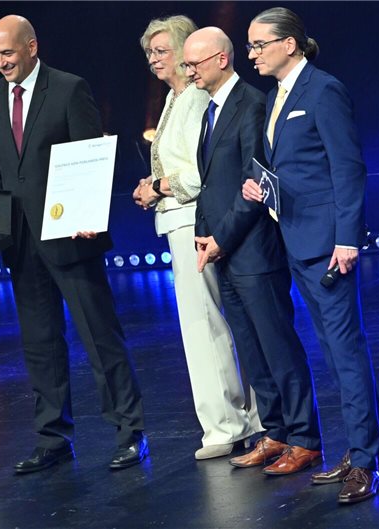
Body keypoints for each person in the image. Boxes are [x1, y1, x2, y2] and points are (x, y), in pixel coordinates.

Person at [0, 15, 147, 472]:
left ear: (31, 47)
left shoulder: (68, 88)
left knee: (99, 336)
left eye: (7, 52)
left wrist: (88, 213)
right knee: (40, 343)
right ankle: (52, 437)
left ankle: (130, 432)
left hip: (69, 234)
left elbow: (91, 157)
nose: (1, 62)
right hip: (20, 242)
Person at [242, 7, 379, 504]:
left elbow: (348, 168)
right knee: (336, 351)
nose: (253, 54)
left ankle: (365, 461)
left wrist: (348, 238)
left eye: (259, 44)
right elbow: (294, 166)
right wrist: (264, 187)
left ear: (290, 44)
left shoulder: (322, 90)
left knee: (346, 352)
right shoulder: (274, 97)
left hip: (328, 243)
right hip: (296, 239)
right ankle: (371, 447)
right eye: (250, 46)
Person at [185, 26, 324, 478]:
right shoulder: (209, 111)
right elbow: (212, 184)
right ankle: (277, 432)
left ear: (222, 59)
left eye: (195, 64)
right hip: (225, 250)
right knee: (253, 350)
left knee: (278, 346)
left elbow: (253, 181)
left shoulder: (252, 104)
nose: (189, 73)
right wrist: (206, 236)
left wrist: (221, 237)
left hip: (254, 249)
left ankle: (305, 438)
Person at [133, 15, 261, 461]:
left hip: (193, 221)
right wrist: (153, 185)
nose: (154, 59)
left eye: (162, 51)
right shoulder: (174, 100)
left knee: (206, 323)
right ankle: (243, 417)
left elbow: (197, 173)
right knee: (212, 320)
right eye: (150, 52)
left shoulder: (193, 102)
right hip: (180, 221)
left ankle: (226, 423)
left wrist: (160, 186)